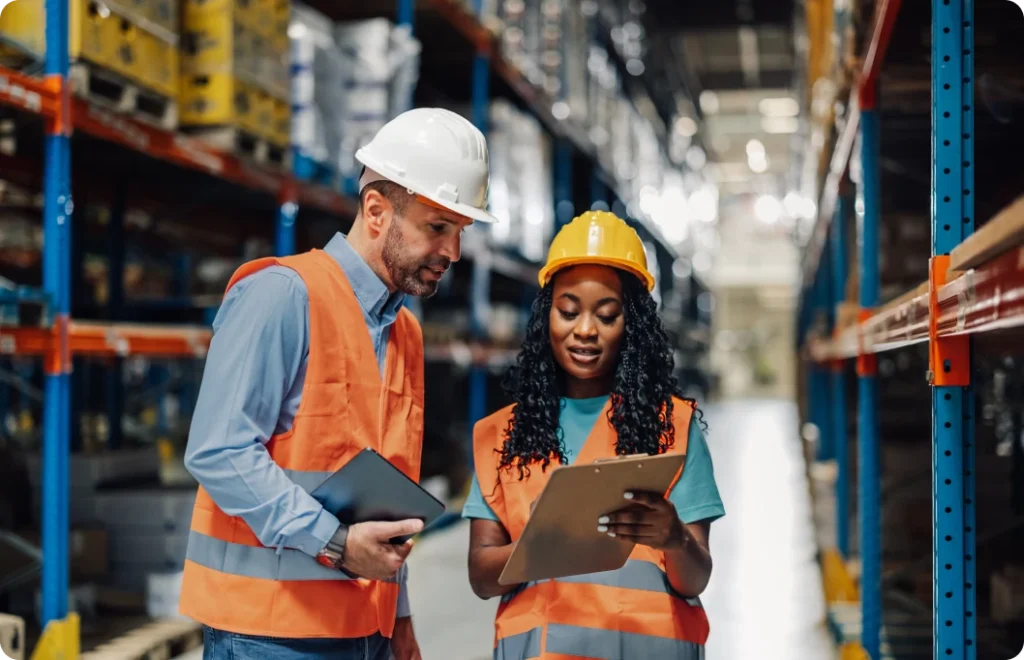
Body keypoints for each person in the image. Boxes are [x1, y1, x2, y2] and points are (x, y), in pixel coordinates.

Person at [178, 107, 497, 660]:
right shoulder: (282, 295)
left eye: (460, 232)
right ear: (376, 210)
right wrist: (336, 544)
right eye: (437, 227)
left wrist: (397, 615)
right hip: (268, 636)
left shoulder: (406, 334)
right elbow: (219, 450)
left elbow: (386, 493)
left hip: (364, 632)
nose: (453, 253)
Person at [463, 211, 725, 659]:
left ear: (633, 327)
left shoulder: (674, 428)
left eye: (607, 316)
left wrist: (675, 538)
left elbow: (695, 578)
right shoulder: (503, 434)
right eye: (568, 312)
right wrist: (540, 549)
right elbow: (481, 575)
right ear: (547, 316)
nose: (585, 331)